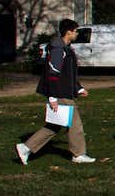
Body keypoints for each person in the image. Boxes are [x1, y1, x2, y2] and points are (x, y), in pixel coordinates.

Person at [16, 19, 94, 165]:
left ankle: (26, 148)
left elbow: (67, 74)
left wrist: (78, 88)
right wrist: (52, 96)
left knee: (55, 125)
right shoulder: (59, 49)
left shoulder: (64, 48)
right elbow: (53, 73)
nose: (77, 33)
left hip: (62, 92)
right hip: (60, 94)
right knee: (75, 124)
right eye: (75, 31)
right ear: (69, 32)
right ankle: (78, 154)